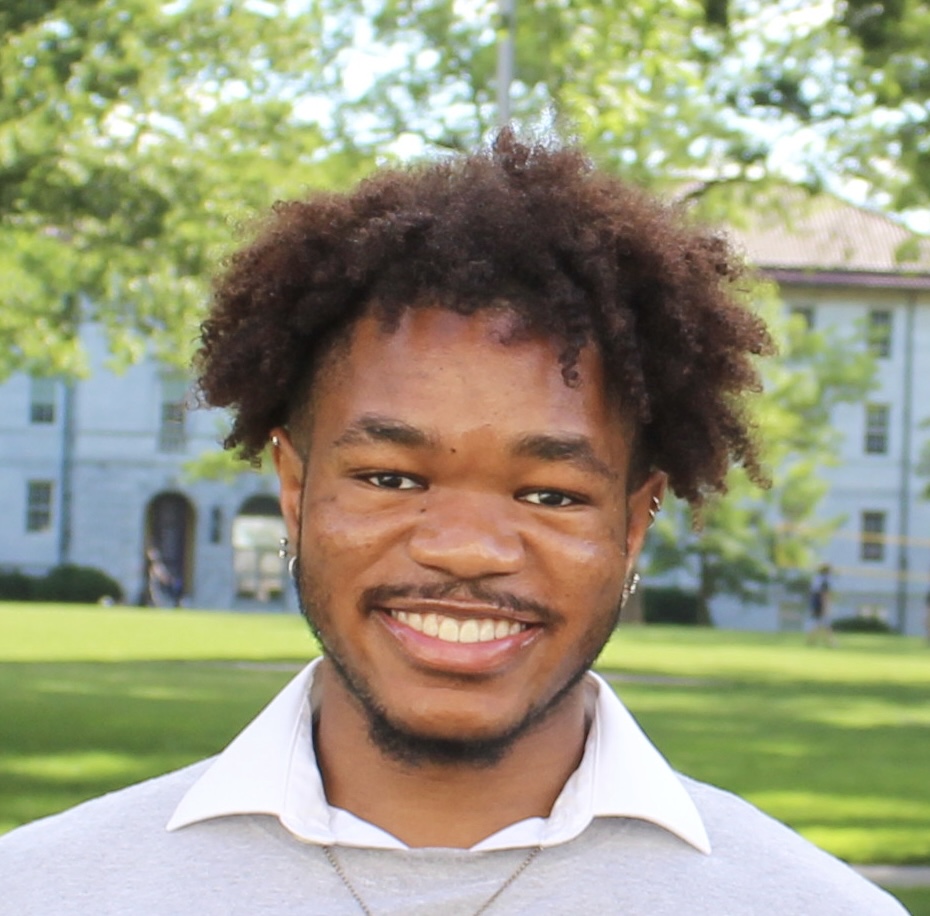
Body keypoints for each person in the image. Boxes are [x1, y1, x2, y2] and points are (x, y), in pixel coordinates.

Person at [0, 133, 904, 914]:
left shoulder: (810, 906)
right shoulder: (43, 891)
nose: (465, 549)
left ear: (634, 525)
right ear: (294, 489)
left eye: (550, 493)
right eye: (391, 477)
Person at [806, 563, 836, 647]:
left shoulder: (817, 579)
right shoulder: (824, 580)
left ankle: (811, 641)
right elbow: (824, 594)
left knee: (819, 624)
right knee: (824, 623)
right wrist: (825, 607)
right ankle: (831, 643)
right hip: (820, 604)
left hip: (815, 604)